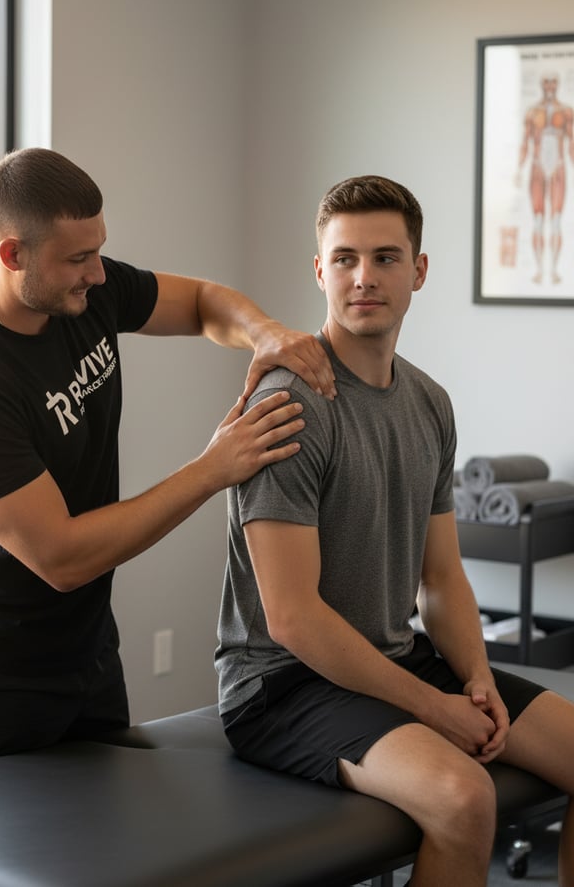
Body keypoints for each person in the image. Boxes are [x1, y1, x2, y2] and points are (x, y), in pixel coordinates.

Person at [0, 146, 336, 772]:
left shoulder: (87, 293)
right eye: (77, 258)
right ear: (11, 254)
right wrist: (213, 468)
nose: (98, 273)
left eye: (98, 250)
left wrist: (262, 331)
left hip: (86, 652)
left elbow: (201, 304)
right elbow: (63, 557)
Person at [215, 175, 574, 886]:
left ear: (419, 270)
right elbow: (291, 618)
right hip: (283, 685)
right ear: (319, 270)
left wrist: (474, 680)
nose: (364, 277)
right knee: (463, 797)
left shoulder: (428, 402)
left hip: (391, 660)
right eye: (344, 259)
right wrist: (436, 709)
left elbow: (441, 577)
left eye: (385, 257)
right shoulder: (290, 407)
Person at [516, 72, 574, 285]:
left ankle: (555, 269)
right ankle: (540, 270)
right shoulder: (533, 112)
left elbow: (571, 144)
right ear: (542, 84)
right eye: (547, 82)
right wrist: (518, 170)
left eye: (554, 82)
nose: (550, 86)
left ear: (557, 84)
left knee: (556, 221)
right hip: (538, 168)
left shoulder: (566, 112)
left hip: (558, 167)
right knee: (539, 221)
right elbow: (525, 143)